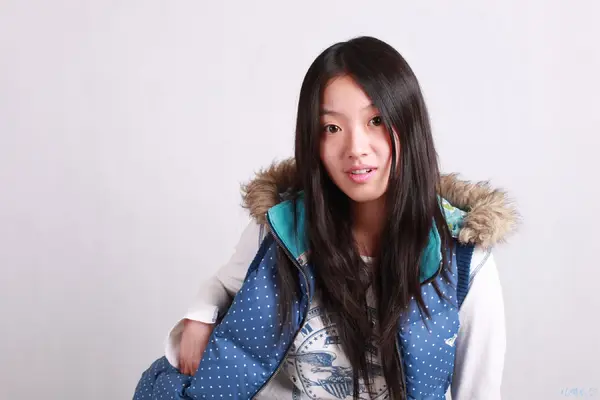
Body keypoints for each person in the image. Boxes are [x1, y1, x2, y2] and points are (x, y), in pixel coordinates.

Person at [133, 36, 518, 400]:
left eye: (376, 121)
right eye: (332, 128)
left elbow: (479, 393)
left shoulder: (463, 259)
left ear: (409, 124)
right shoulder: (281, 230)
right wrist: (199, 318)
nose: (356, 148)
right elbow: (224, 284)